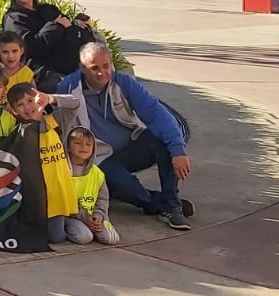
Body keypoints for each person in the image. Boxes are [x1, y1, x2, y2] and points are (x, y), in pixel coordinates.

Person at [58, 43, 195, 230]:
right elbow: (59, 127)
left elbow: (157, 114)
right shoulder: (68, 87)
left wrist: (178, 150)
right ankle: (157, 203)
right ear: (83, 69)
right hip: (100, 158)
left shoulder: (124, 83)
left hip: (133, 146)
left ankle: (172, 206)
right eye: (94, 68)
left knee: (162, 141)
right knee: (121, 183)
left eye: (106, 66)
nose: (102, 73)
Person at [7, 83, 81, 244]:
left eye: (30, 100)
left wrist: (50, 98)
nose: (27, 107)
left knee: (56, 238)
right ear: (13, 111)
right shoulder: (18, 133)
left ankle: (72, 219)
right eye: (20, 105)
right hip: (36, 199)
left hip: (58, 194)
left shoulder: (55, 122)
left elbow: (75, 103)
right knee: (39, 235)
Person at [0, 0, 95, 89]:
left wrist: (78, 24)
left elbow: (67, 25)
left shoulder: (47, 9)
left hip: (67, 62)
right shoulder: (14, 19)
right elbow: (30, 48)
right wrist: (56, 27)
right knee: (68, 88)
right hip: (39, 70)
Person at [65, 126, 121, 246]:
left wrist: (99, 216)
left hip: (93, 215)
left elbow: (103, 199)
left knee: (112, 239)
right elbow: (64, 199)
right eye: (78, 143)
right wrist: (84, 217)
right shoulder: (63, 171)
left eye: (88, 144)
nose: (83, 147)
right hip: (71, 217)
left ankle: (94, 225)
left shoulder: (97, 173)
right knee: (85, 237)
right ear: (68, 147)